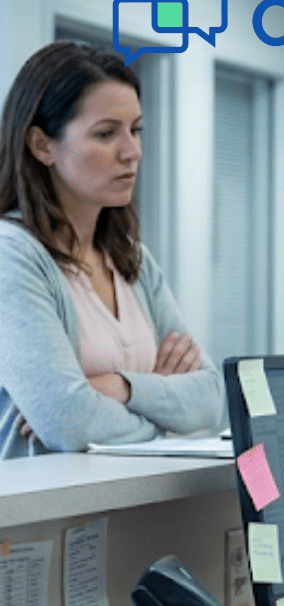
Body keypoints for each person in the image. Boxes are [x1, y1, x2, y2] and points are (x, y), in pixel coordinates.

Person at [0, 41, 221, 458]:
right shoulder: (12, 256)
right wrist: (165, 413)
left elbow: (209, 398)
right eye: (106, 134)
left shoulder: (132, 258)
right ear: (42, 145)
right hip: (39, 519)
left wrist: (118, 386)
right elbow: (69, 422)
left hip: (127, 514)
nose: (132, 152)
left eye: (135, 130)